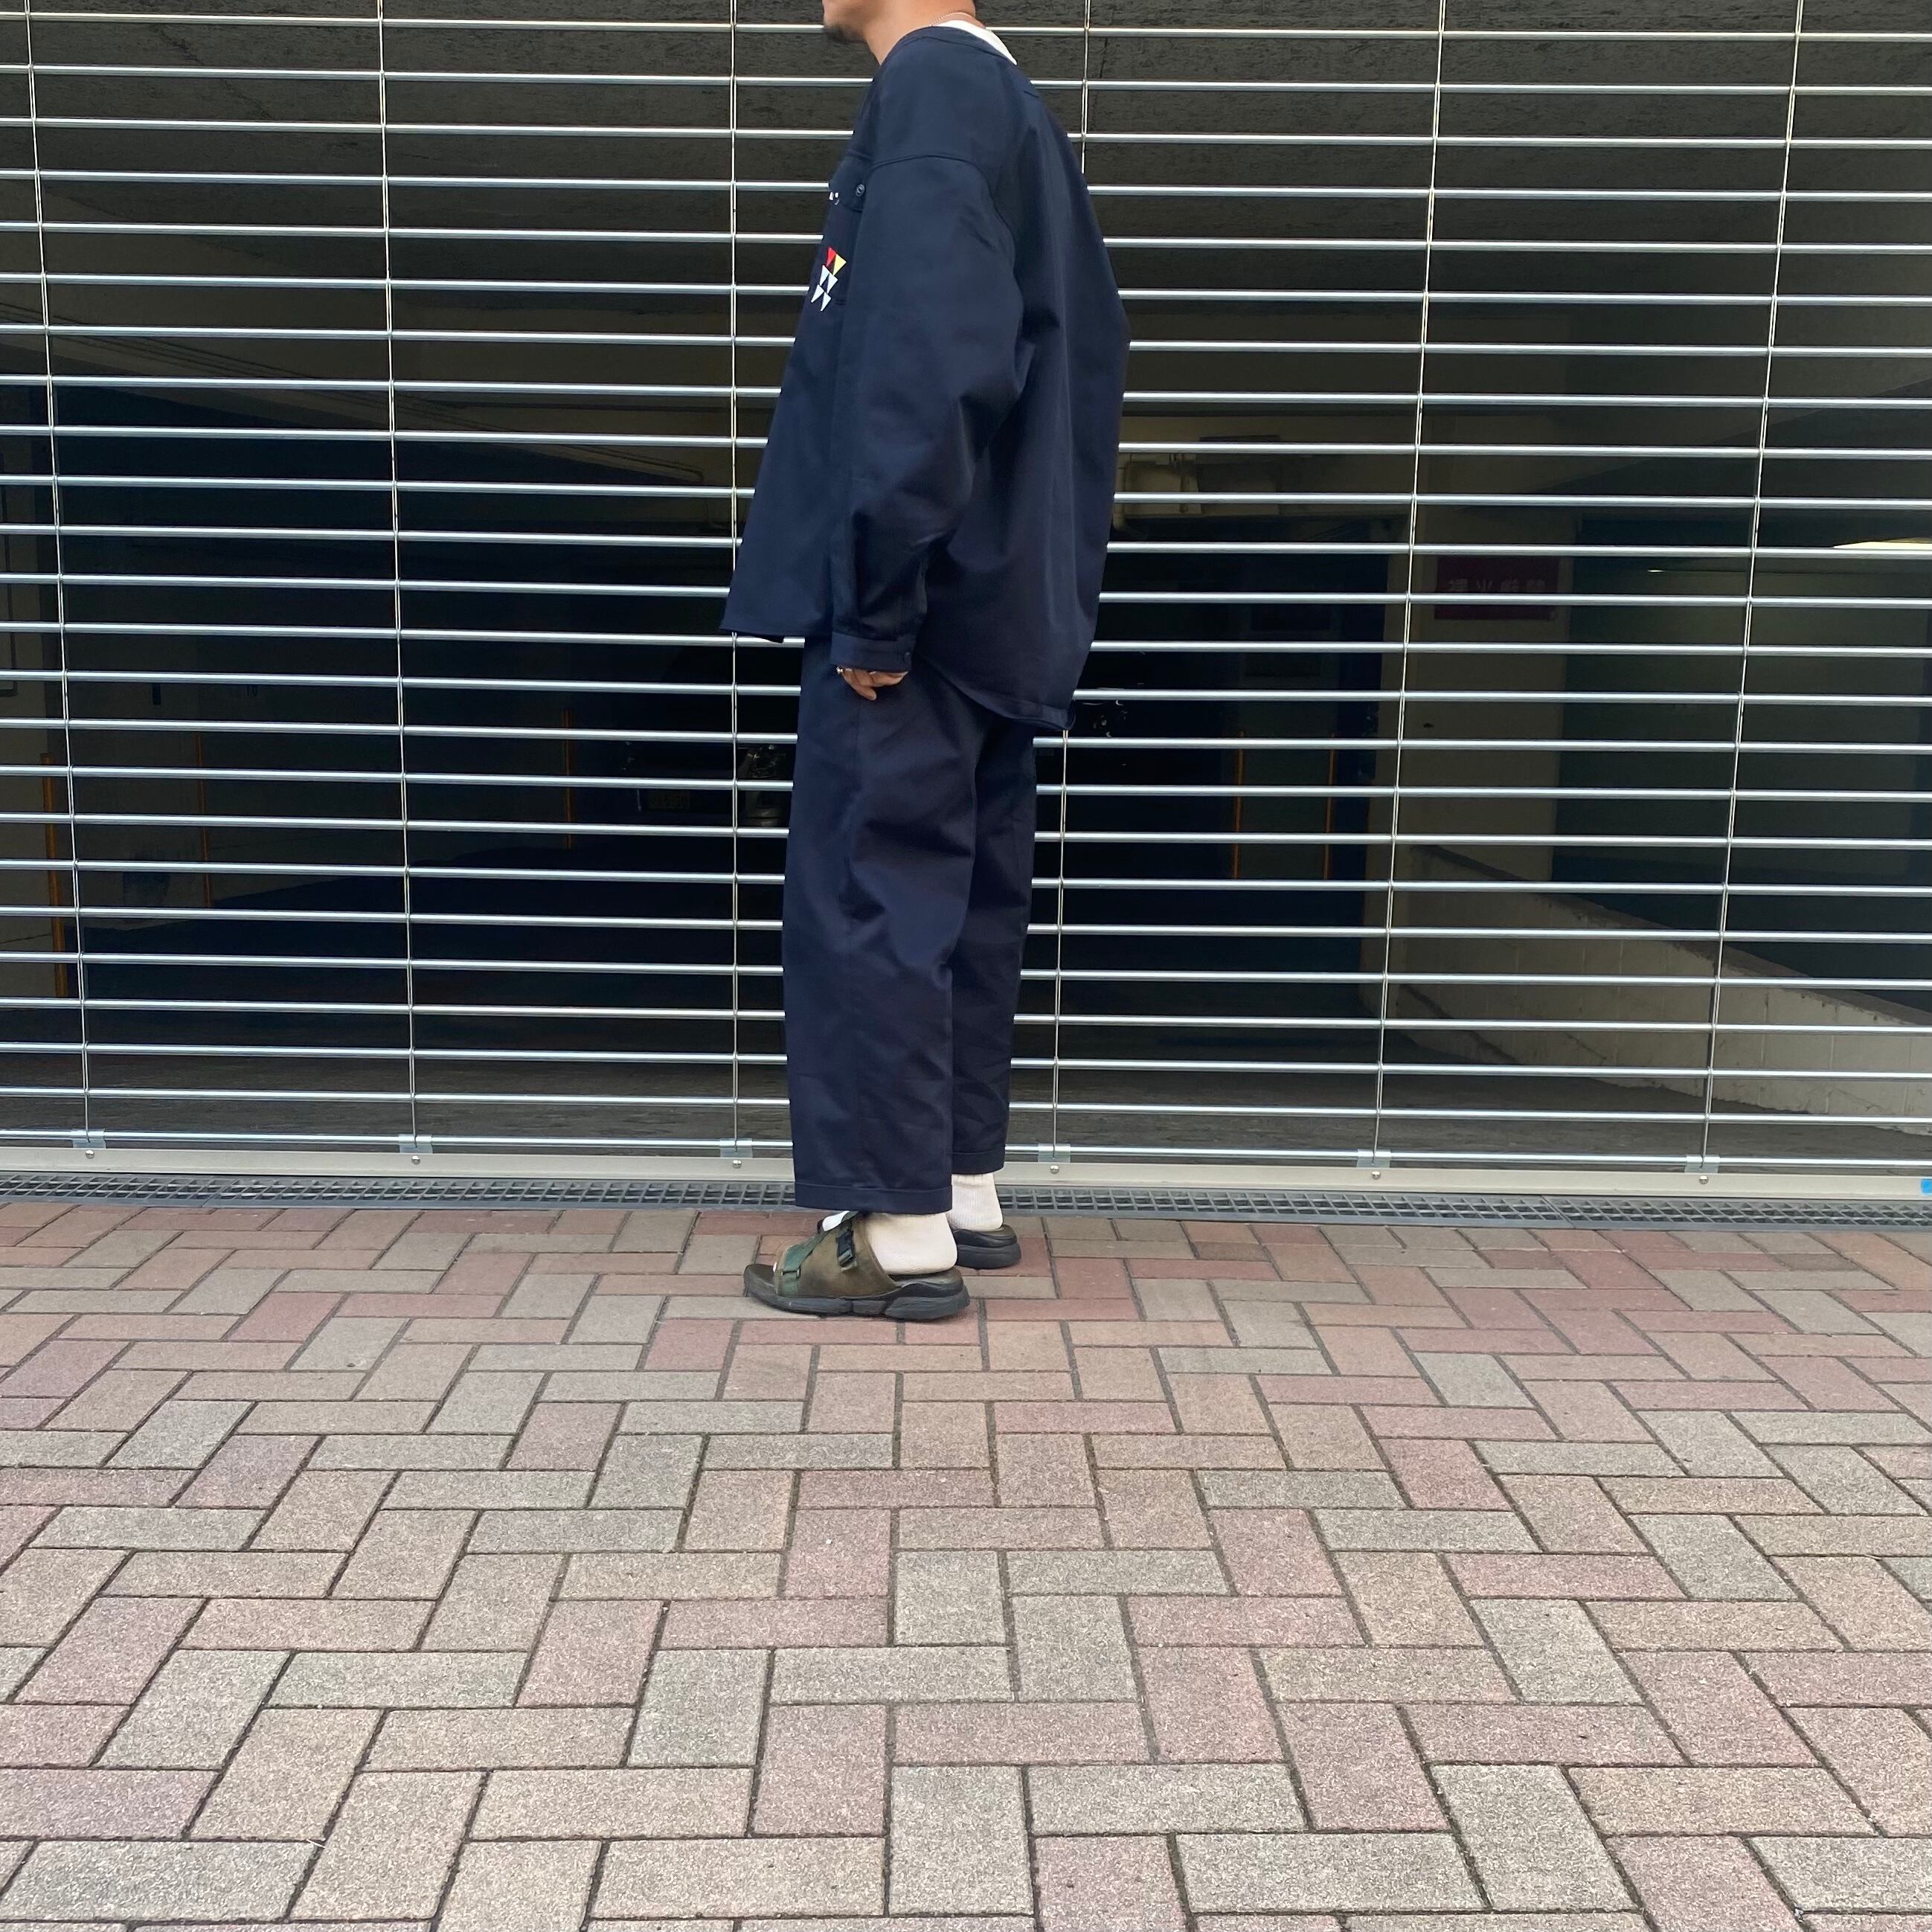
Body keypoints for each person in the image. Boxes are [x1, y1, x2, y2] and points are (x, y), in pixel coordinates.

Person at [725, 0, 1129, 1320]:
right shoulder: (1013, 112)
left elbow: (924, 360)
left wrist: (877, 605)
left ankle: (891, 1234)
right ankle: (957, 1185)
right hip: (998, 597)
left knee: (872, 897)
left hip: (925, 600)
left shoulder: (933, 96)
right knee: (961, 901)